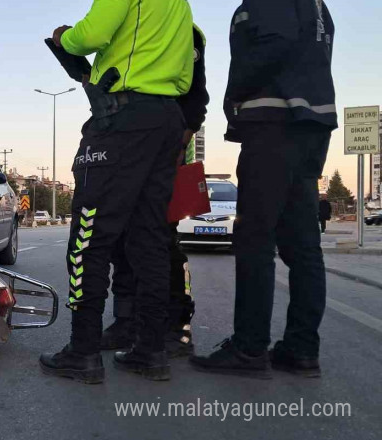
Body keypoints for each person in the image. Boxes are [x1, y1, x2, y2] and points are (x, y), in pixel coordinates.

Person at [39, 0, 194, 383]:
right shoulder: (180, 6)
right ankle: (151, 350)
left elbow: (90, 35)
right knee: (150, 239)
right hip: (166, 120)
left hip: (121, 118)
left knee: (87, 239)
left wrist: (65, 38)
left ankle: (84, 350)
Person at [190, 0, 336, 379]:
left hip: (274, 124)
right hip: (309, 127)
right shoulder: (315, 5)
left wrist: (233, 95)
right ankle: (302, 350)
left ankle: (249, 348)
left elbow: (275, 46)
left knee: (254, 239)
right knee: (303, 246)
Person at [102, 24, 210, 358]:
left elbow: (196, 98)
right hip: (125, 150)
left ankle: (177, 326)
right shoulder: (125, 22)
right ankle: (127, 320)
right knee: (121, 241)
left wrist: (181, 142)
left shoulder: (184, 29)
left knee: (161, 243)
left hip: (166, 154)